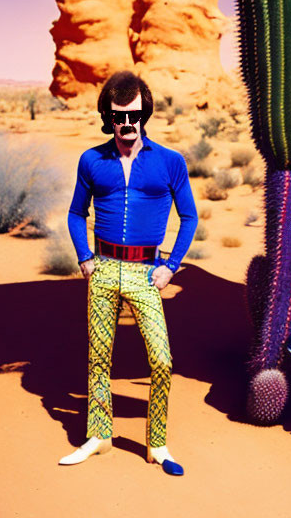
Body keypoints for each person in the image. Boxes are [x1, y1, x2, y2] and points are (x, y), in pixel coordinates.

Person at [59, 70, 197, 475]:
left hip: (145, 273)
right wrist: (84, 256)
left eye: (134, 115)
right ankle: (99, 437)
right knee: (98, 357)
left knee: (162, 359)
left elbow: (188, 217)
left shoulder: (170, 162)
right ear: (108, 115)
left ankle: (157, 443)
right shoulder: (91, 160)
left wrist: (171, 266)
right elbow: (74, 213)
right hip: (102, 269)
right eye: (119, 116)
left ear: (145, 113)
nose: (127, 124)